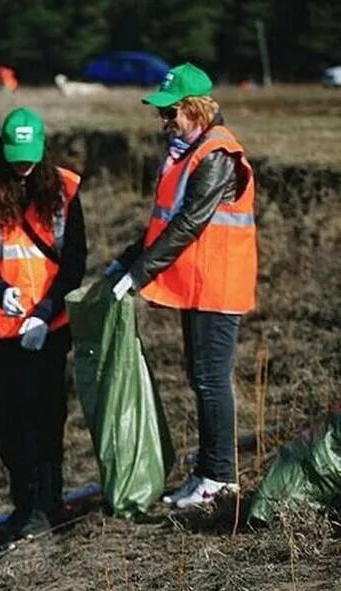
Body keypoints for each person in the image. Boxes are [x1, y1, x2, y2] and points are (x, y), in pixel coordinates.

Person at [108, 63, 257, 509]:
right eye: (162, 115)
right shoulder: (189, 153)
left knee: (212, 380)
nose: (165, 122)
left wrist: (138, 275)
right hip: (200, 283)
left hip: (220, 284)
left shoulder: (216, 155)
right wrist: (124, 260)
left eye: (170, 113)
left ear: (194, 108)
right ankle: (207, 471)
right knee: (200, 376)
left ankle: (221, 477)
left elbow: (189, 223)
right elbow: (164, 223)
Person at [0, 107, 87, 540]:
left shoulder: (66, 191)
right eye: (15, 155)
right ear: (2, 150)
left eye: (30, 154)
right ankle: (23, 506)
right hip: (2, 330)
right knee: (9, 422)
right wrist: (2, 291)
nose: (23, 164)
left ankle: (48, 506)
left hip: (50, 328)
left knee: (49, 417)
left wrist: (46, 312)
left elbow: (74, 265)